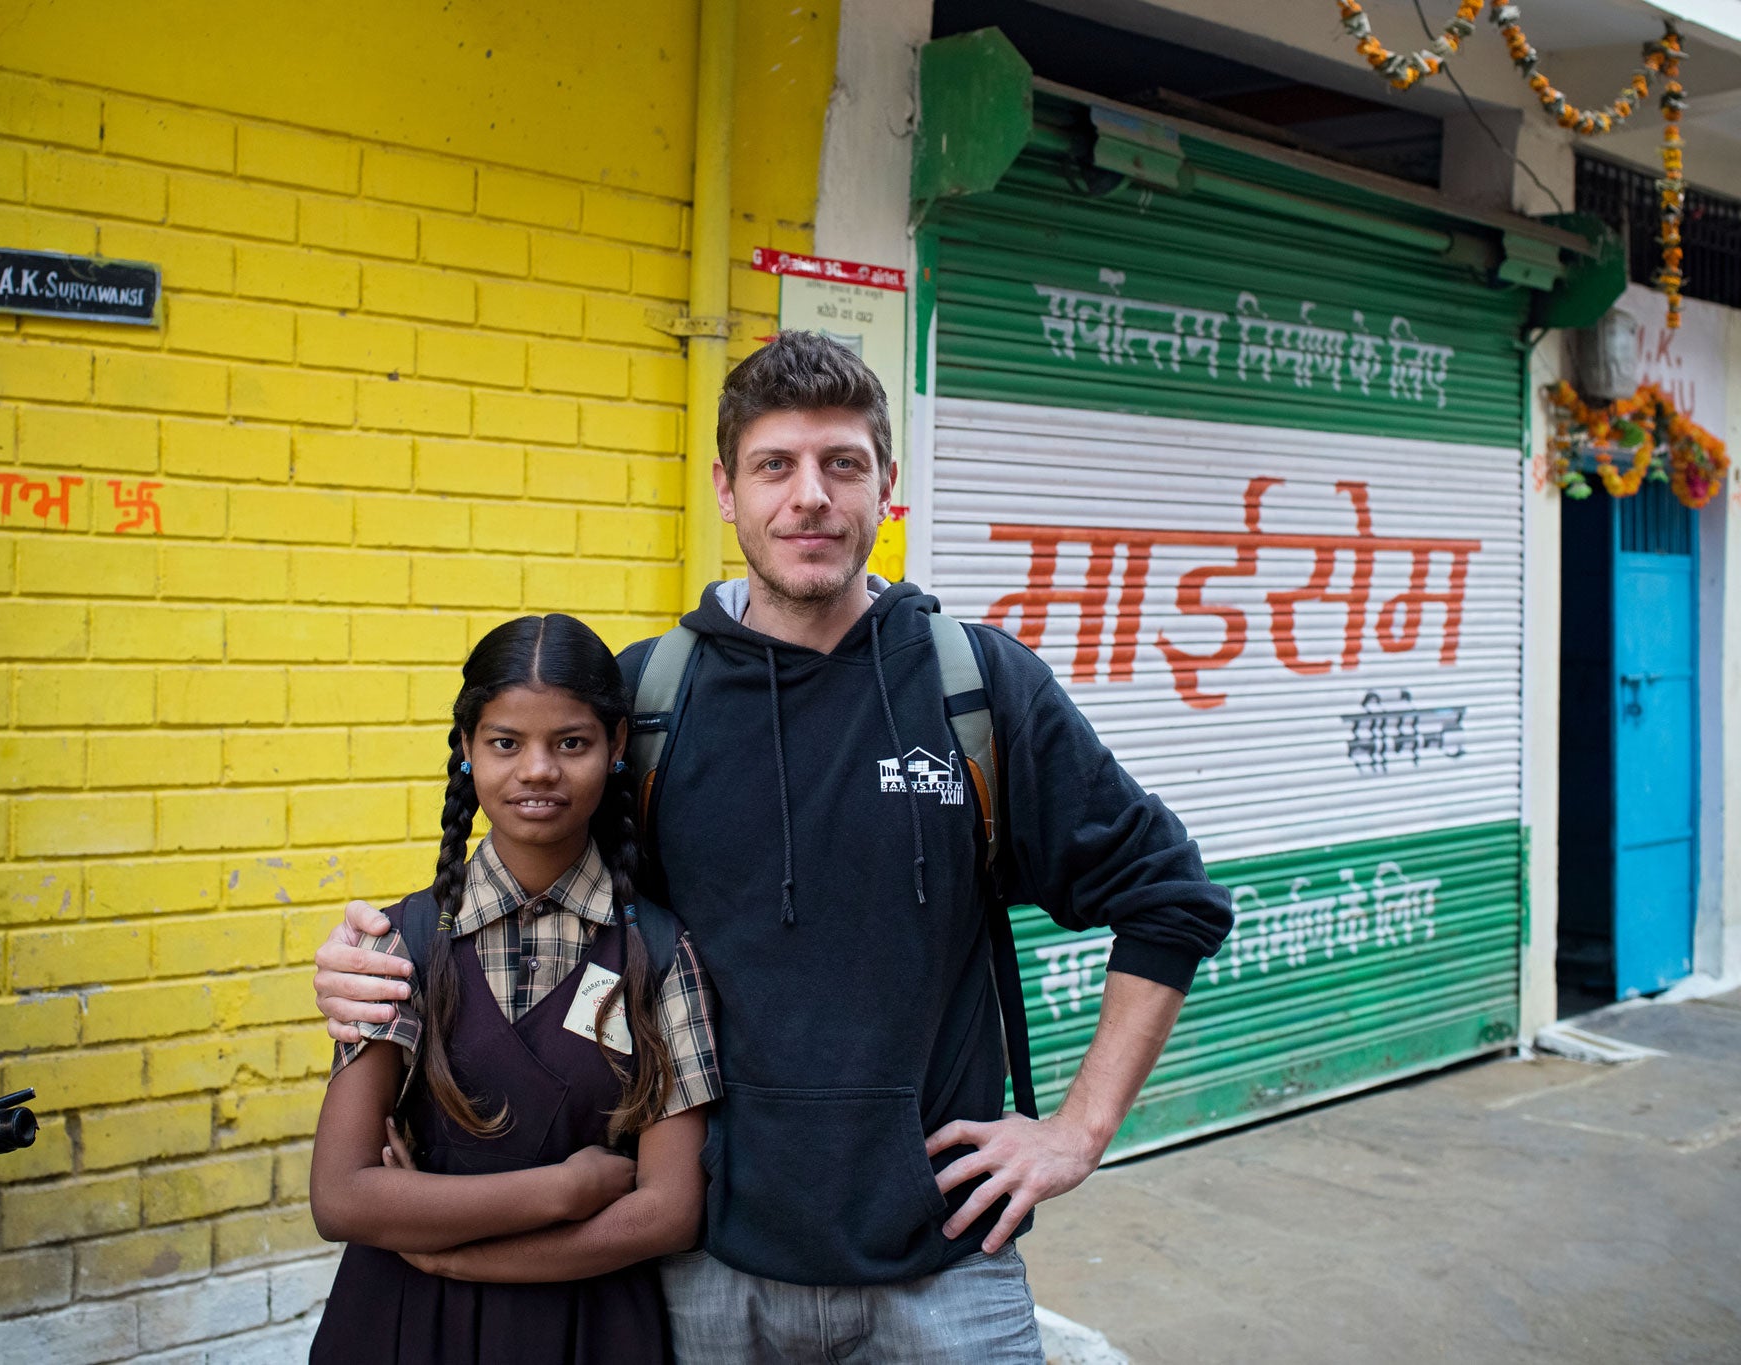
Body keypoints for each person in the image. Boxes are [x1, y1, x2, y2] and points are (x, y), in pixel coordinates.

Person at [314, 332, 1233, 1362]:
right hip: (704, 1266)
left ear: (884, 484)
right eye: (774, 466)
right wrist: (369, 959)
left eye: (842, 464)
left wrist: (1074, 1132)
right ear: (725, 488)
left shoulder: (974, 688)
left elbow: (1170, 900)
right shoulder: (651, 700)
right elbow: (529, 895)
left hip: (943, 1264)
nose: (810, 497)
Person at [306, 613, 719, 1365]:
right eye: (505, 742)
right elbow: (341, 1195)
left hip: (589, 1327)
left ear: (616, 746)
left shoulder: (660, 952)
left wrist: (451, 1253)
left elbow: (669, 1211)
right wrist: (565, 1189)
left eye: (571, 742)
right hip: (401, 1325)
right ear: (466, 749)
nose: (537, 770)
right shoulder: (399, 939)